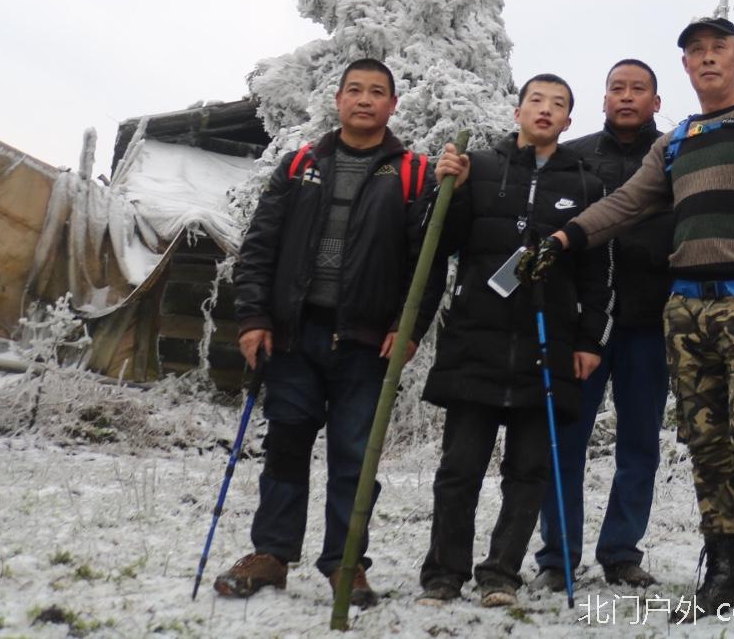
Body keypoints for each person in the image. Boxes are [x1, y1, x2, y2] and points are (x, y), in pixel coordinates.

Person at [545, 17, 734, 635]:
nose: (707, 58)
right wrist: (566, 237)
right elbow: (627, 203)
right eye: (696, 51)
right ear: (686, 67)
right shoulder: (676, 142)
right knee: (706, 443)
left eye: (719, 48)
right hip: (685, 309)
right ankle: (724, 574)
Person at [216, 59, 433, 608]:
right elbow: (259, 248)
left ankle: (345, 564)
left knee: (355, 459)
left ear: (392, 105)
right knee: (285, 447)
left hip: (367, 345)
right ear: (337, 100)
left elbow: (426, 264)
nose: (365, 99)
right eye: (354, 90)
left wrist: (407, 329)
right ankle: (271, 555)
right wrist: (253, 319)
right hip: (295, 338)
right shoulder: (299, 166)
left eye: (377, 92)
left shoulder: (413, 174)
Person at [415, 74, 611, 608]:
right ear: (518, 110)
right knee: (459, 469)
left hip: (547, 346)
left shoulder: (588, 185)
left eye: (558, 104)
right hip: (475, 339)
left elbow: (598, 273)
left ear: (569, 120)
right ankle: (443, 574)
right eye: (536, 100)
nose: (546, 110)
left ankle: (500, 573)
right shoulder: (476, 166)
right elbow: (436, 240)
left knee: (528, 472)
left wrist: (590, 340)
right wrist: (446, 188)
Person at [535, 60, 674, 591]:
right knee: (564, 440)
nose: (627, 96)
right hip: (583, 327)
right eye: (618, 88)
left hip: (649, 325)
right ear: (604, 99)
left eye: (638, 89)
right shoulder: (574, 156)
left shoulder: (675, 156)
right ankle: (557, 557)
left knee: (639, 445)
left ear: (656, 102)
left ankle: (621, 552)